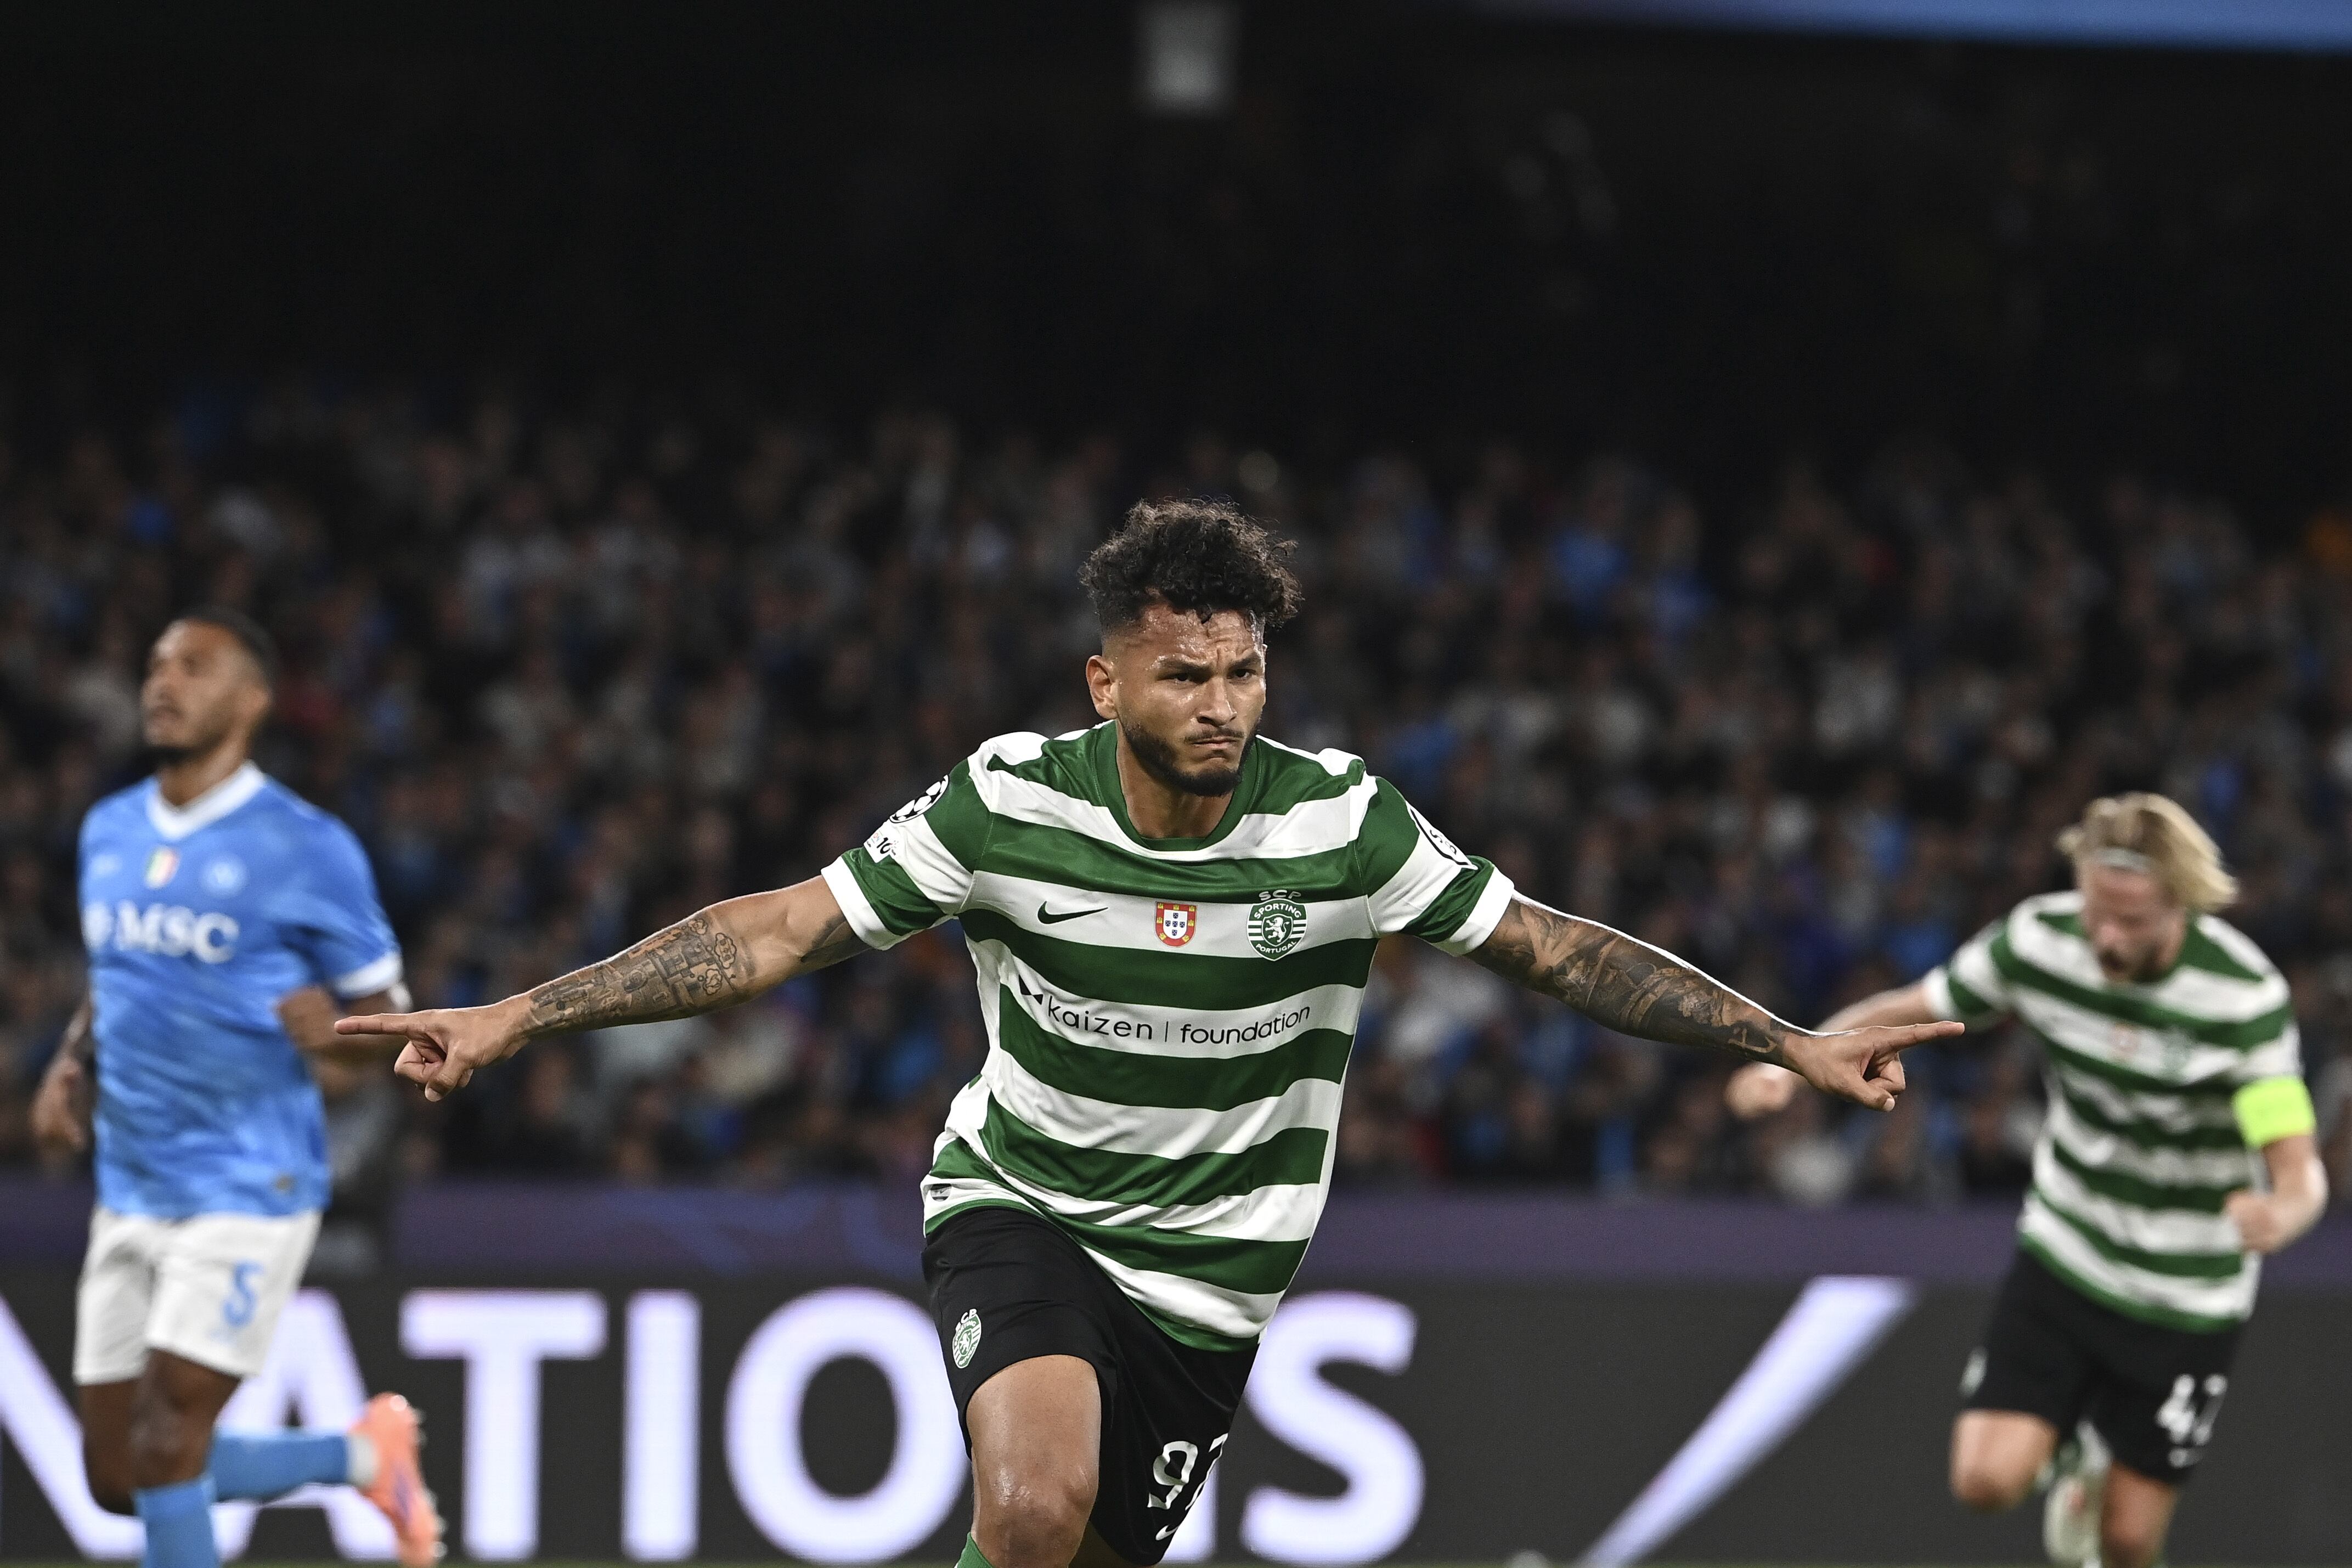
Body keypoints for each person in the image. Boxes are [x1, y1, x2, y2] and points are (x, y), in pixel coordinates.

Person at [340, 501, 1956, 1568]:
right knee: (1032, 1501)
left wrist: (1788, 1037)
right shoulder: (1004, 803)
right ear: (1103, 678)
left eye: (1246, 671)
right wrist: (517, 1015)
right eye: (1187, 674)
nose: (1225, 705)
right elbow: (775, 928)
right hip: (1026, 1199)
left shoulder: (1340, 826)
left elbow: (1549, 947)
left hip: (1217, 1273)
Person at [1725, 792, 2327, 1568]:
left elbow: (2297, 1164)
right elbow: (1911, 1009)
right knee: (1985, 1479)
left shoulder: (2241, 998)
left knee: (2128, 1541)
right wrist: (1799, 1060)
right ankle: (2075, 1453)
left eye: (2133, 922)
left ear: (2181, 903)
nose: (2107, 936)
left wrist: (2283, 1214)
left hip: (2189, 1291)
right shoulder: (2039, 941)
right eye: (2096, 911)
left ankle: (2098, 1473)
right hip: (2067, 1251)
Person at [30, 609, 443, 1568]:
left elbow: (393, 1029)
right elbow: (116, 971)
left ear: (252, 699)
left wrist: (331, 1042)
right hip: (133, 1185)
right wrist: (71, 1059)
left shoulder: (308, 845)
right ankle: (359, 1456)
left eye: (195, 666)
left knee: (172, 1434)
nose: (163, 682)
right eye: (156, 662)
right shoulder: (109, 827)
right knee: (117, 1475)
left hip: (250, 1183)